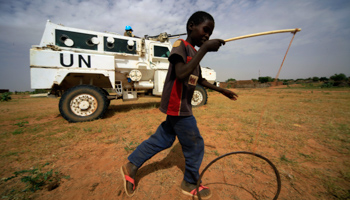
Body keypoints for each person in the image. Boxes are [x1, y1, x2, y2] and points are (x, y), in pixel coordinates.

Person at [121, 11, 238, 199]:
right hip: (177, 104)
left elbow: (197, 78)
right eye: (205, 30)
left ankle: (131, 165)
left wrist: (221, 90)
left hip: (181, 105)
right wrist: (205, 48)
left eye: (210, 33)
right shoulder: (180, 46)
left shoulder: (193, 52)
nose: (207, 35)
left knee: (164, 139)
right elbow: (182, 73)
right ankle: (190, 182)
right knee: (194, 144)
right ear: (191, 26)